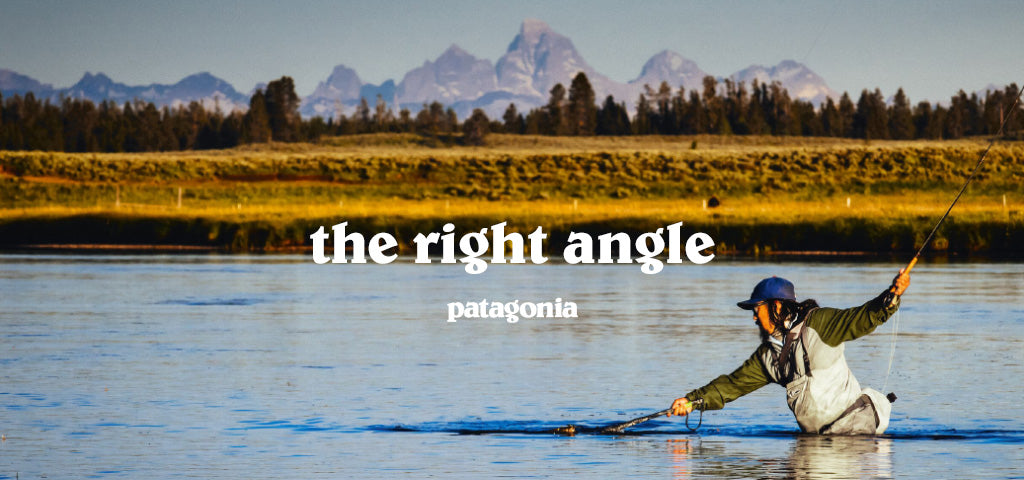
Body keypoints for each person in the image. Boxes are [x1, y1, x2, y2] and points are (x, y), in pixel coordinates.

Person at [668, 269, 911, 435]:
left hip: (858, 431)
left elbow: (863, 317)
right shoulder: (768, 356)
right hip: (817, 446)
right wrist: (692, 401)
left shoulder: (820, 322)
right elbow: (732, 385)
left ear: (775, 305)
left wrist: (892, 296)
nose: (753, 316)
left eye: (756, 309)